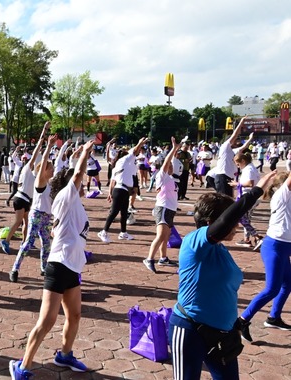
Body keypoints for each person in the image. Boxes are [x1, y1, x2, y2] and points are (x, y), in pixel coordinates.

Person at [169, 170, 277, 380]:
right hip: (191, 330)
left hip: (222, 334)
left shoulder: (219, 249)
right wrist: (255, 191)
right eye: (233, 221)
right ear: (212, 222)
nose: (237, 225)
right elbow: (227, 219)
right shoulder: (194, 242)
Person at [9, 140, 94, 379]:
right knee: (46, 321)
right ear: (69, 186)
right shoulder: (66, 197)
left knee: (75, 315)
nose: (82, 183)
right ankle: (22, 367)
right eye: (77, 183)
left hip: (73, 267)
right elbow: (77, 173)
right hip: (58, 266)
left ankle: (64, 355)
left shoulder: (72, 204)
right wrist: (85, 152)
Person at [238, 171, 291, 342]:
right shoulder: (283, 195)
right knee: (272, 288)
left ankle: (274, 318)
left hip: (284, 246)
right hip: (274, 246)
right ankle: (242, 321)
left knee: (288, 283)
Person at [9, 134, 58, 282]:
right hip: (36, 215)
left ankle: (43, 268)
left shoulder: (50, 184)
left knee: (46, 244)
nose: (53, 170)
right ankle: (15, 269)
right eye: (51, 169)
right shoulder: (40, 181)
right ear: (44, 171)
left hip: (46, 217)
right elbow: (43, 163)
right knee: (28, 243)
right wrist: (48, 146)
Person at [1, 123, 50, 254]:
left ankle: (25, 243)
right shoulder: (27, 169)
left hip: (27, 200)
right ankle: (6, 240)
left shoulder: (35, 174)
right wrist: (44, 131)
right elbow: (37, 151)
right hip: (20, 198)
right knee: (18, 221)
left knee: (27, 223)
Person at [97, 137, 148, 243]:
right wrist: (139, 143)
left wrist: (110, 193)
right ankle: (103, 232)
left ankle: (123, 233)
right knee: (114, 212)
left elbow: (112, 181)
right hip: (120, 190)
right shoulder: (124, 160)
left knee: (124, 212)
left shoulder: (124, 165)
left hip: (122, 190)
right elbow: (134, 151)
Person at [143, 137, 181, 273]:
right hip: (163, 208)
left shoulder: (170, 178)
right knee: (160, 236)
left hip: (170, 209)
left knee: (166, 236)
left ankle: (163, 258)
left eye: (171, 166)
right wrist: (174, 148)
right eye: (169, 166)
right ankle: (149, 259)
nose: (171, 167)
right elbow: (166, 162)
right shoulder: (162, 175)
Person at [230, 152, 262, 248]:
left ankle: (256, 236)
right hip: (250, 196)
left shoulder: (249, 169)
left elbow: (250, 183)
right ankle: (247, 239)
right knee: (246, 218)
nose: (238, 166)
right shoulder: (250, 168)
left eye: (238, 164)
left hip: (248, 196)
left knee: (241, 217)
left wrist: (237, 184)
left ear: (243, 161)